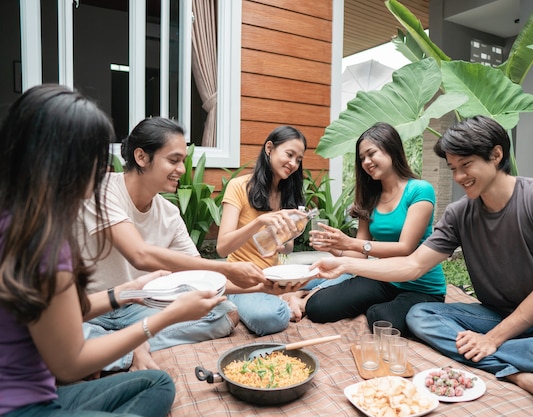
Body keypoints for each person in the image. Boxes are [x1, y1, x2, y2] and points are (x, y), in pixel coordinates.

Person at [312, 116, 533, 410]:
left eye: (466, 165)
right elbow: (413, 265)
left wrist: (491, 339)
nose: (459, 177)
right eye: (453, 168)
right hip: (495, 313)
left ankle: (504, 361)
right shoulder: (459, 213)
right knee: (419, 317)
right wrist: (347, 265)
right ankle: (517, 372)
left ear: (496, 155)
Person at [0, 84, 226, 416]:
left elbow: (193, 267)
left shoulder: (15, 219)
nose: (101, 169)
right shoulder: (44, 241)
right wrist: (166, 318)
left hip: (47, 385)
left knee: (157, 383)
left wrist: (123, 292)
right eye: (93, 157)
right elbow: (69, 364)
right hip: (24, 407)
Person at [76, 117, 278, 372]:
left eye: (182, 160)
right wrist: (227, 268)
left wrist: (265, 286)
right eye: (173, 160)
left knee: (224, 314)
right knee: (54, 340)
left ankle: (122, 347)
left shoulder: (169, 213)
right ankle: (131, 346)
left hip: (139, 308)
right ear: (141, 157)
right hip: (92, 308)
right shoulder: (103, 191)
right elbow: (140, 255)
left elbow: (202, 277)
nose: (182, 169)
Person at [289, 122, 446, 333]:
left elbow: (405, 247)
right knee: (318, 308)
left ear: (391, 149)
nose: (366, 162)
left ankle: (374, 309)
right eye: (362, 158)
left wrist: (349, 241)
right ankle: (307, 296)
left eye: (371, 154)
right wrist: (334, 246)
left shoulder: (419, 190)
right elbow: (360, 256)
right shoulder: (370, 198)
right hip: (384, 279)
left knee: (380, 318)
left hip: (420, 285)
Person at [216, 125, 309, 335]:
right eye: (289, 154)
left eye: (299, 159)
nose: (293, 164)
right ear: (269, 148)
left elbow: (287, 248)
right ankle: (289, 300)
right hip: (244, 282)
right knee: (271, 317)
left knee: (341, 273)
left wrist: (287, 236)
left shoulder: (288, 195)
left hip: (276, 277)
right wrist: (260, 223)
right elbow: (222, 248)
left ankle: (290, 297)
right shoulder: (239, 187)